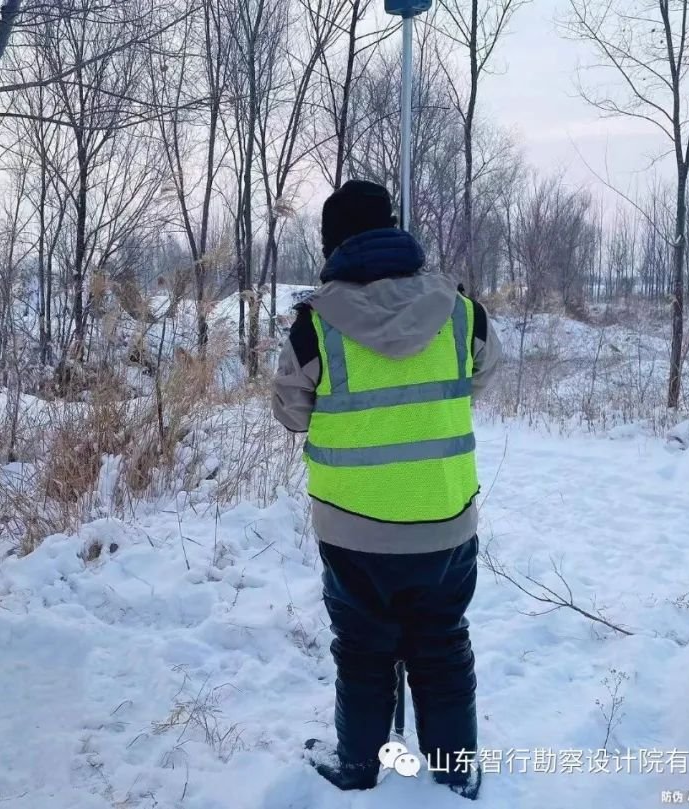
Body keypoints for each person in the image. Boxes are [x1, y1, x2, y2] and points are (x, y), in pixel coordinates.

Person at [271, 180, 501, 798]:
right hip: (445, 520)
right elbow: (482, 373)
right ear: (393, 229)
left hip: (352, 529)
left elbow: (291, 414)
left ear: (333, 242)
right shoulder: (461, 310)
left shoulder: (312, 326)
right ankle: (457, 778)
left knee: (363, 651)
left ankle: (358, 769)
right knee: (443, 646)